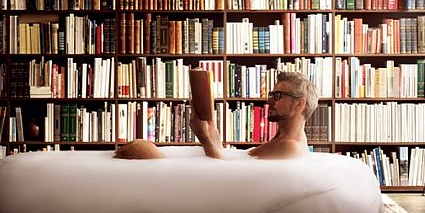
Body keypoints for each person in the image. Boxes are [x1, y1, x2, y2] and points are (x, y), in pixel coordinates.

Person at [114, 70, 318, 160]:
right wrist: (210, 128)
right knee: (137, 150)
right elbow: (233, 164)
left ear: (300, 103)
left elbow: (228, 177)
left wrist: (204, 137)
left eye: (278, 95)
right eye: (271, 94)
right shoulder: (283, 140)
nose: (269, 101)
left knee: (141, 151)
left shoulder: (289, 146)